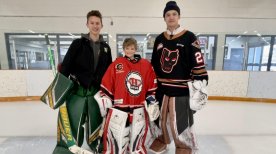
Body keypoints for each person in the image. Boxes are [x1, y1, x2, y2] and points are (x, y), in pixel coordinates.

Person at [149, 1, 209, 154]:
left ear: (179, 16)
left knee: (180, 122)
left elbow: (198, 61)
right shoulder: (159, 39)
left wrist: (200, 83)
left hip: (181, 89)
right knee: (159, 120)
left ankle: (184, 146)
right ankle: (162, 140)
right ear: (164, 18)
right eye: (168, 15)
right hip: (161, 89)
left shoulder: (189, 37)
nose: (171, 17)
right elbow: (154, 65)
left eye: (174, 14)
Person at [53, 10, 112, 154]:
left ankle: (97, 146)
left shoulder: (106, 48)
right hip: (77, 92)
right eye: (92, 23)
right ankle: (66, 149)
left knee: (96, 123)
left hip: (96, 93)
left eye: (97, 23)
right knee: (73, 123)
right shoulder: (77, 44)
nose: (95, 26)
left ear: (101, 25)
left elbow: (109, 73)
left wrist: (109, 93)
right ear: (87, 24)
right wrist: (58, 89)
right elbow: (65, 66)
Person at [94, 38, 160, 154]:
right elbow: (107, 83)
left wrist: (150, 101)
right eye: (127, 48)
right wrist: (105, 100)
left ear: (136, 49)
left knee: (136, 143)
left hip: (138, 109)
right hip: (120, 109)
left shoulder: (145, 65)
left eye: (132, 48)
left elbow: (151, 86)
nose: (129, 50)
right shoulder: (117, 64)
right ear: (123, 49)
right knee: (117, 144)